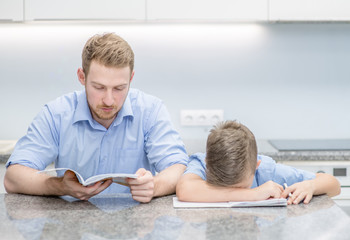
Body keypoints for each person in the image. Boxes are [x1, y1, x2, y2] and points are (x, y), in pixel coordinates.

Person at [4, 32, 189, 203]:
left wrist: (153, 186)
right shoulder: (56, 115)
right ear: (81, 77)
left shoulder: (150, 111)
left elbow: (179, 168)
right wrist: (59, 185)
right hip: (72, 227)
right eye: (99, 87)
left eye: (119, 88)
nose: (109, 100)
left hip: (137, 227)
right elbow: (13, 178)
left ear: (131, 79)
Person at [176, 120, 340, 204]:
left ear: (256, 166)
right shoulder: (200, 164)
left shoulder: (266, 171)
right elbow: (184, 189)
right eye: (223, 186)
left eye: (240, 187)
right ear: (207, 164)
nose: (235, 192)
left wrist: (310, 186)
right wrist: (252, 194)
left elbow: (333, 185)